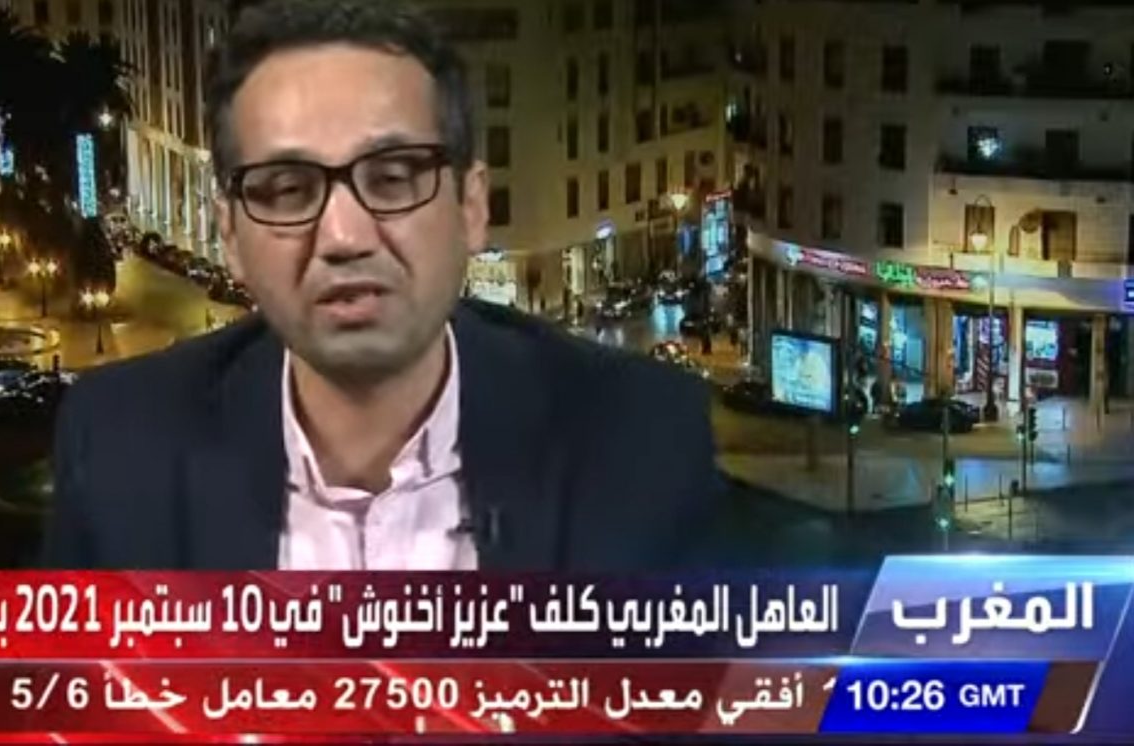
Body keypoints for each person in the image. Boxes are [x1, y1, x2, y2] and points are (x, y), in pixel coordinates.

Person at [44, 0, 722, 572]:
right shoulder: (119, 450)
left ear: (471, 206)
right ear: (230, 235)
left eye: (394, 178)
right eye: (288, 189)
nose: (344, 236)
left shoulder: (641, 443)